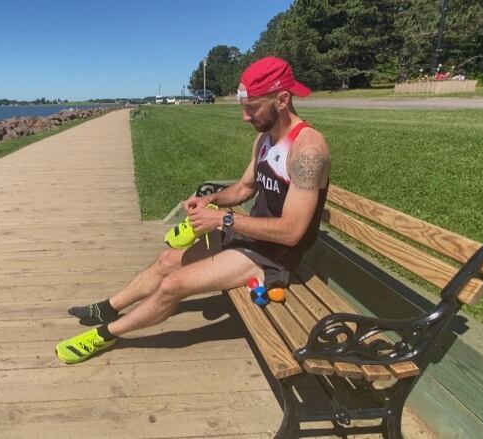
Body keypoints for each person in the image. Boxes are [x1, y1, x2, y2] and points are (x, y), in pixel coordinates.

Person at [55, 57, 331, 364]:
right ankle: (108, 306)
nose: (244, 116)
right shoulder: (265, 139)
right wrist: (211, 200)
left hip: (274, 257)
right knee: (165, 261)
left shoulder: (308, 151)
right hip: (249, 237)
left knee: (174, 285)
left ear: (282, 99)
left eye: (252, 107)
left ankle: (106, 334)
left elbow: (293, 232)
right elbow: (243, 189)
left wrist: (223, 219)